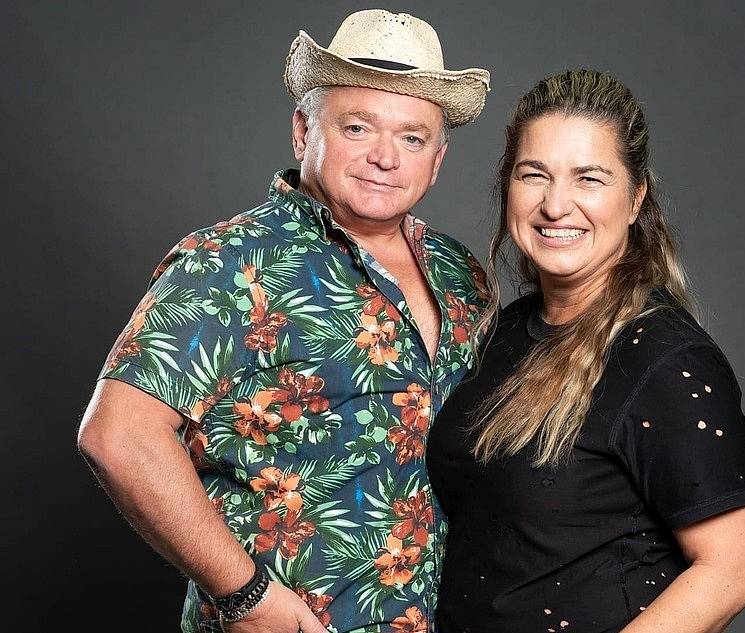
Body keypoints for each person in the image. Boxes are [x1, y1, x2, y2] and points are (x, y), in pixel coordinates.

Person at [77, 9, 490, 633]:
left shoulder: (461, 274)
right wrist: (245, 597)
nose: (385, 157)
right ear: (303, 131)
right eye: (357, 127)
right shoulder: (233, 260)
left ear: (438, 158)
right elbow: (119, 435)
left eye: (412, 138)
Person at [427, 69, 745, 633]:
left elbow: (735, 570)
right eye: (534, 175)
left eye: (589, 179)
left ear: (635, 199)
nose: (556, 205)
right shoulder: (504, 332)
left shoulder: (665, 357)